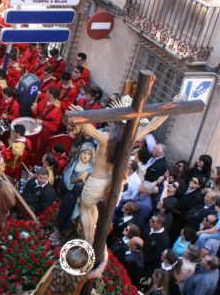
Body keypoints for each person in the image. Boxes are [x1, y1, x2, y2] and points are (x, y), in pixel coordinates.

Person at [69, 105, 170, 245]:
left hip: (96, 181)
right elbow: (153, 125)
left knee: (85, 209)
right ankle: (91, 234)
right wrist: (168, 110)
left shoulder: (106, 138)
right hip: (108, 183)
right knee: (92, 208)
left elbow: (88, 128)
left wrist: (81, 113)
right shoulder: (130, 138)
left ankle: (88, 242)